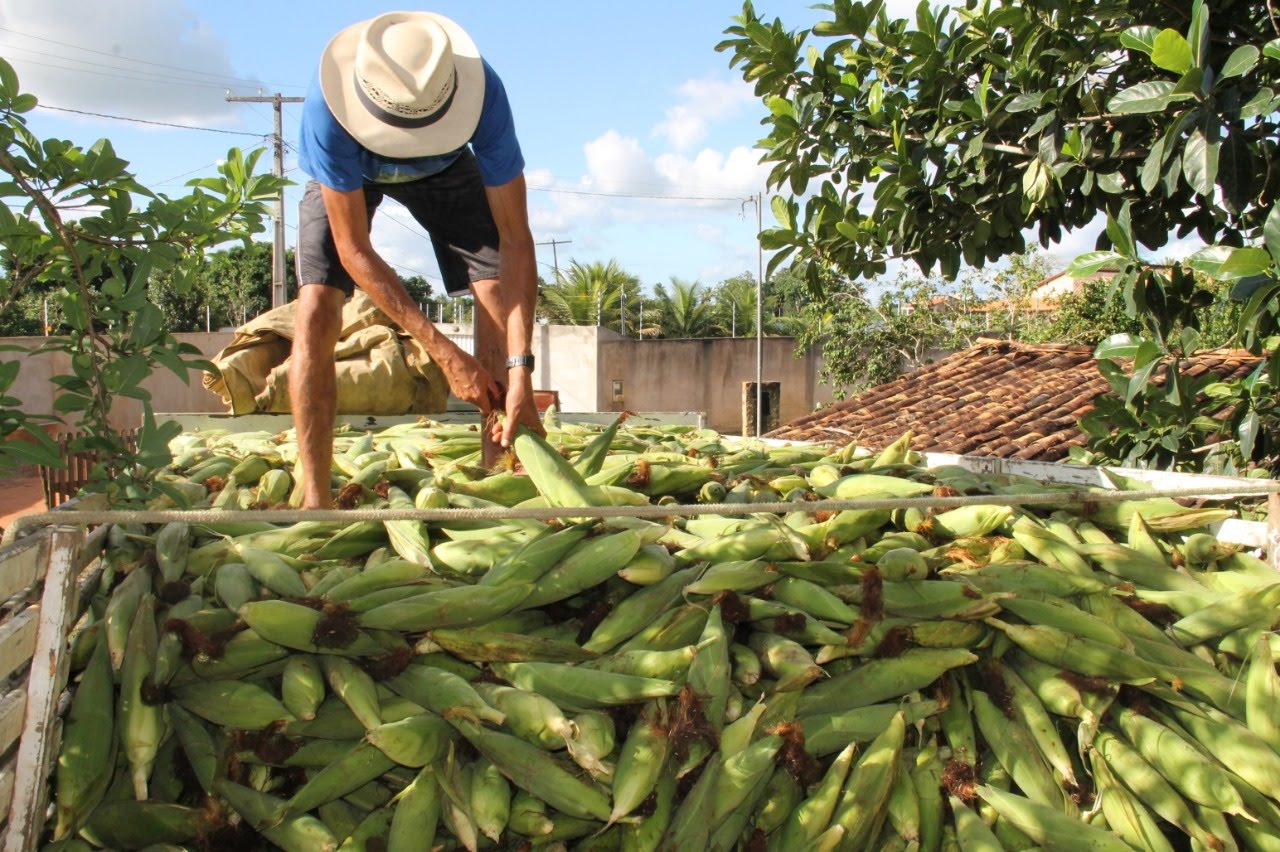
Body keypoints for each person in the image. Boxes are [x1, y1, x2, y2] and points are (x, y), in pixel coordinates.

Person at [293, 10, 541, 508]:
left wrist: (521, 374)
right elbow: (354, 250)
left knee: (494, 291)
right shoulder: (328, 113)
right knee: (316, 307)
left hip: (446, 169)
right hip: (350, 174)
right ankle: (315, 498)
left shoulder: (485, 94)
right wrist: (446, 354)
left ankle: (497, 472)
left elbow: (515, 240)